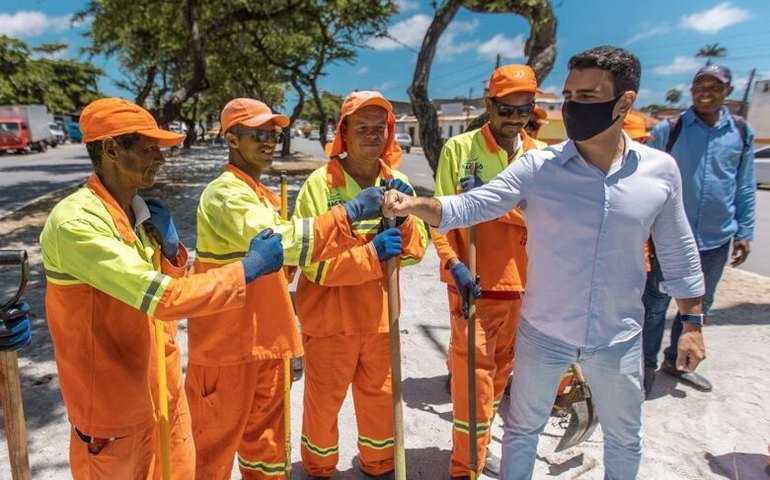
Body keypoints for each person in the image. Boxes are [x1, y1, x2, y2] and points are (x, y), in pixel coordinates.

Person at [382, 46, 707, 480]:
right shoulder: (539, 166)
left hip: (618, 338)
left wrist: (692, 322)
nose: (572, 107)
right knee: (521, 429)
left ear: (624, 102)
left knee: (625, 437)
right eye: (569, 95)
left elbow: (678, 249)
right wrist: (414, 205)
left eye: (587, 97)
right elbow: (469, 206)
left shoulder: (659, 172)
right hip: (543, 332)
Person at [40, 97, 285, 479]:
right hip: (113, 410)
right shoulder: (76, 223)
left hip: (163, 391)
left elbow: (160, 301)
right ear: (111, 149)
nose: (161, 158)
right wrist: (248, 268)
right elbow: (164, 299)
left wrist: (171, 254)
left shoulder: (136, 212)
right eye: (149, 148)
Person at [186, 98, 384, 480]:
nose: (268, 141)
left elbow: (283, 265)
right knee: (211, 452)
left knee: (268, 450)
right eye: (257, 134)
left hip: (267, 342)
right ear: (231, 139)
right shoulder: (225, 194)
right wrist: (349, 214)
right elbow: (284, 243)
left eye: (273, 134)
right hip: (228, 349)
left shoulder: (259, 194)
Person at [292, 91, 428, 480]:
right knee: (323, 405)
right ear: (344, 132)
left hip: (381, 321)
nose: (371, 135)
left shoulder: (398, 183)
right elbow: (313, 265)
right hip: (329, 324)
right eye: (362, 127)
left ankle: (379, 464)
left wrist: (406, 227)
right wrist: (372, 254)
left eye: (379, 128)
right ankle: (319, 468)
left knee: (380, 401)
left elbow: (416, 251)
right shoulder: (320, 185)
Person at [431, 64, 546, 479]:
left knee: (498, 379)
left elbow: (548, 222)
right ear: (489, 105)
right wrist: (453, 265)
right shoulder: (459, 150)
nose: (515, 118)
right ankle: (466, 468)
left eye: (523, 109)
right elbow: (439, 219)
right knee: (472, 385)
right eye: (506, 109)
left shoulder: (541, 156)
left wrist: (494, 209)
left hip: (525, 289)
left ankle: (477, 449)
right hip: (474, 285)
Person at [642, 64, 756, 395]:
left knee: (698, 306)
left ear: (727, 91)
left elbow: (744, 184)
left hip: (716, 237)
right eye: (699, 86)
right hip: (667, 238)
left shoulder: (739, 131)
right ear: (691, 91)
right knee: (654, 306)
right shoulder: (669, 130)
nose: (706, 92)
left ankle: (678, 362)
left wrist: (745, 231)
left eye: (714, 86)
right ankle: (644, 367)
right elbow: (645, 181)